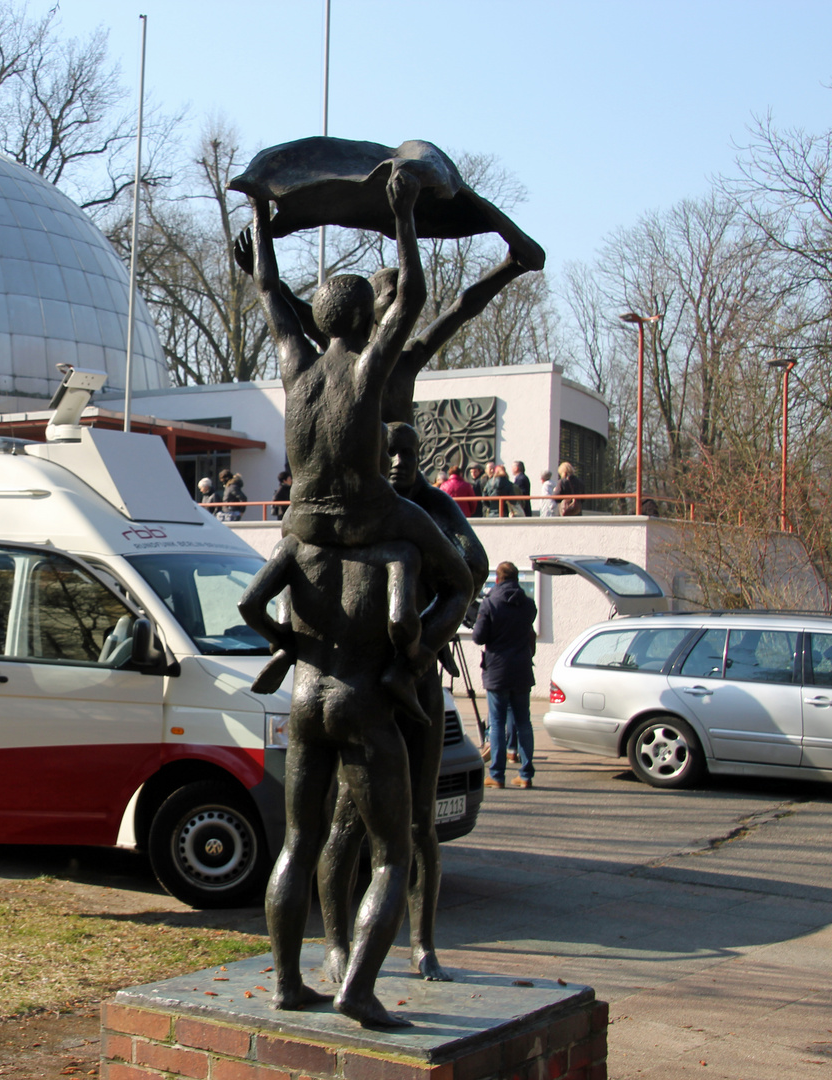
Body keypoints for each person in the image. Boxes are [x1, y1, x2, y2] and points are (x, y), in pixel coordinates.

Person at [237, 167, 472, 1026]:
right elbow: (410, 294)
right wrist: (404, 213)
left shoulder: (294, 365)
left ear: (314, 320)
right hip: (366, 517)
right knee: (392, 854)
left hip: (307, 539)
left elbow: (268, 288)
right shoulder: (371, 370)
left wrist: (260, 219)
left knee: (298, 840)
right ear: (363, 322)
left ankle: (288, 981)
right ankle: (360, 989)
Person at [319, 422, 489, 987]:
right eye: (388, 453)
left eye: (408, 454)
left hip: (414, 683)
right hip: (364, 686)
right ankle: (337, 944)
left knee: (420, 826)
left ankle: (422, 944)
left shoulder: (434, 506)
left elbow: (473, 566)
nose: (398, 463)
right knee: (346, 822)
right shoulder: (355, 507)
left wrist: (429, 640)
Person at [473, 561, 538, 788]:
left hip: (498, 671)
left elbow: (479, 637)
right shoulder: (529, 605)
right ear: (517, 579)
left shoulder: (490, 604)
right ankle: (526, 774)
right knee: (524, 722)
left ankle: (497, 775)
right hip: (521, 669)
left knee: (498, 723)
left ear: (498, 579)